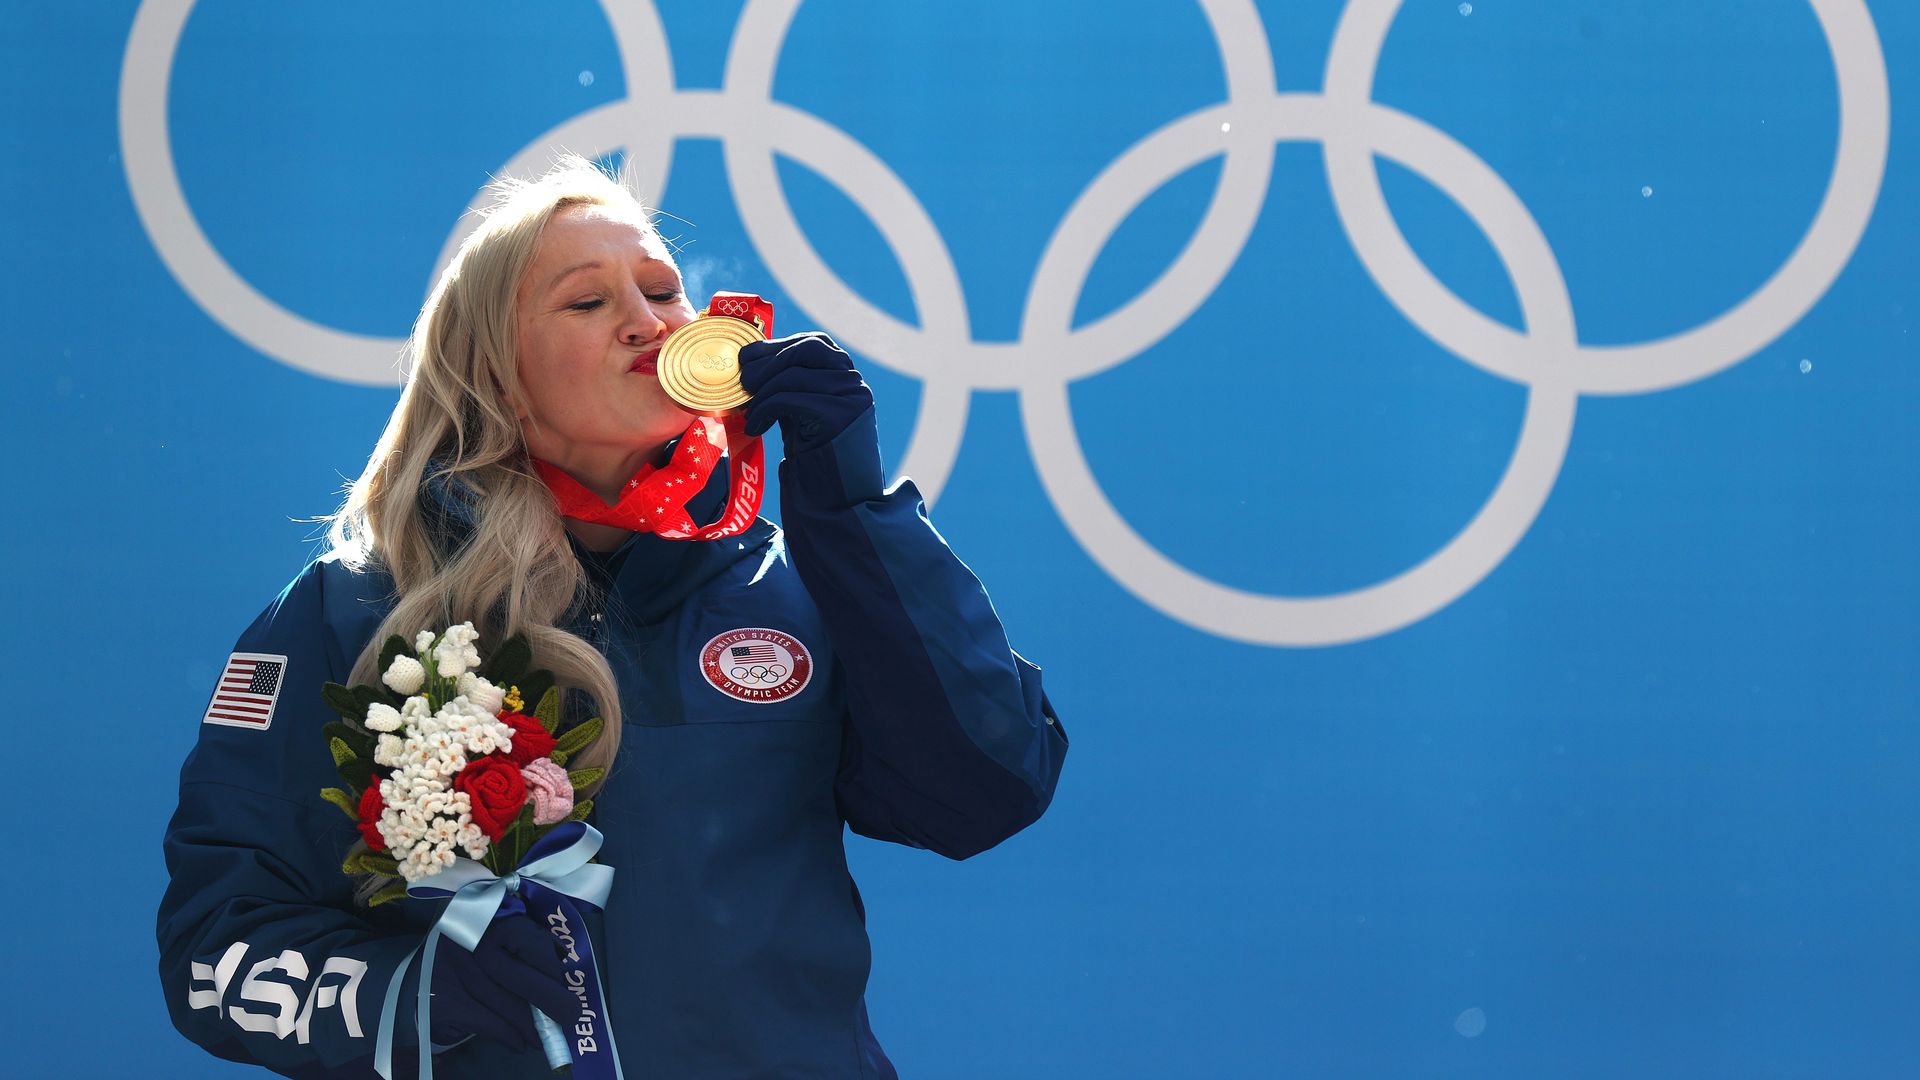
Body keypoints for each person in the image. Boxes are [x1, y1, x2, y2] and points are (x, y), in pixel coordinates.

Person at [157, 156, 1069, 1078]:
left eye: (664, 291)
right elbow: (214, 951)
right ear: (496, 376)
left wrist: (854, 511)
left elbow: (986, 793)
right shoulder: (355, 608)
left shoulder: (803, 583)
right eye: (587, 302)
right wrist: (414, 993)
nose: (648, 321)